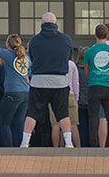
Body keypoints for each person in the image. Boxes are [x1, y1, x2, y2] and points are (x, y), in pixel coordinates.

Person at [22, 12, 73, 148]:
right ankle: (68, 142)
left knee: (32, 112)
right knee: (63, 113)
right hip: (60, 81)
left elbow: (31, 57)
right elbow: (68, 57)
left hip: (38, 81)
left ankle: (25, 142)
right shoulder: (66, 39)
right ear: (56, 24)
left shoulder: (34, 40)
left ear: (42, 24)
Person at [84, 23, 109, 148]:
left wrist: (95, 74)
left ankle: (94, 143)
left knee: (94, 117)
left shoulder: (90, 51)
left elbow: (86, 69)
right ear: (107, 35)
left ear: (95, 35)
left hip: (94, 85)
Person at [0, 34, 29, 147]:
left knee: (5, 123)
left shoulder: (9, 54)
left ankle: (9, 148)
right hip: (26, 93)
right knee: (19, 123)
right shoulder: (26, 58)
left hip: (12, 92)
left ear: (8, 44)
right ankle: (18, 147)